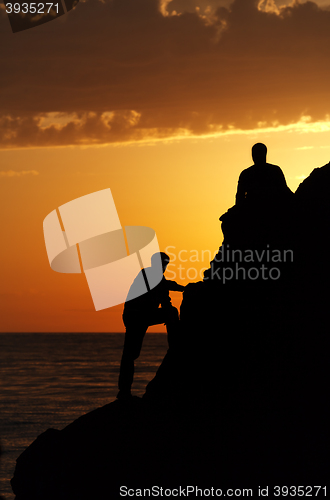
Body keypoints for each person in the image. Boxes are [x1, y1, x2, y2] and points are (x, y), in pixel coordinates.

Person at [117, 252, 185, 400]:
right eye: (163, 264)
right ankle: (124, 391)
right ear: (155, 263)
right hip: (136, 316)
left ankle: (175, 344)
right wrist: (183, 288)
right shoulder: (146, 274)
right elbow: (164, 288)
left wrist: (181, 289)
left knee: (130, 354)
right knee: (130, 354)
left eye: (166, 265)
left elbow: (165, 297)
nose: (164, 267)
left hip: (142, 315)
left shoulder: (158, 278)